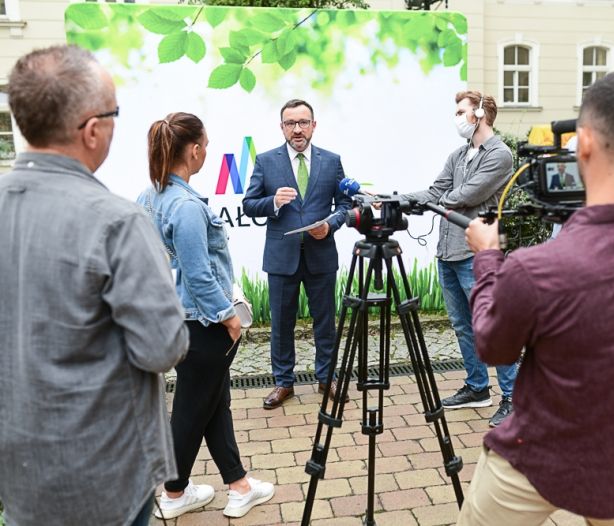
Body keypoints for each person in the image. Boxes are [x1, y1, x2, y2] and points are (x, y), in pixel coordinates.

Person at [458, 71, 614, 524]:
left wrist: (488, 259)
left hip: (534, 460)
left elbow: (493, 347)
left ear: (584, 143)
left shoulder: (535, 270)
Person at [0, 45, 189, 526]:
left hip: (18, 467)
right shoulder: (117, 222)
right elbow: (162, 347)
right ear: (91, 130)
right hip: (101, 473)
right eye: (115, 113)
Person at [138, 113, 275, 519]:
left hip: (174, 319)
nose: (208, 152)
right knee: (191, 410)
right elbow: (198, 275)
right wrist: (228, 318)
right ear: (194, 150)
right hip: (203, 325)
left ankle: (238, 486)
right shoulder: (185, 207)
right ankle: (174, 493)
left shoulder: (150, 197)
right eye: (207, 146)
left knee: (214, 403)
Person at [401, 91, 518, 428]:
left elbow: (467, 196)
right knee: (463, 326)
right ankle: (477, 387)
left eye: (461, 111)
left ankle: (512, 395)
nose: (456, 118)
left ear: (479, 114)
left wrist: (434, 202)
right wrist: (397, 199)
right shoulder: (458, 155)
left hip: (477, 254)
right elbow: (435, 192)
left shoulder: (500, 155)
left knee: (492, 325)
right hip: (448, 251)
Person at [242, 99, 352, 409]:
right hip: (281, 257)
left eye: (303, 122)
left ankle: (326, 378)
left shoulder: (332, 161)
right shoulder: (266, 161)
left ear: (314, 125)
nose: (298, 129)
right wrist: (274, 202)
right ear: (282, 128)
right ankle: (283, 382)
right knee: (281, 324)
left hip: (321, 255)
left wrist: (330, 226)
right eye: (291, 123)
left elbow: (345, 205)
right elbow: (249, 205)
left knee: (325, 322)